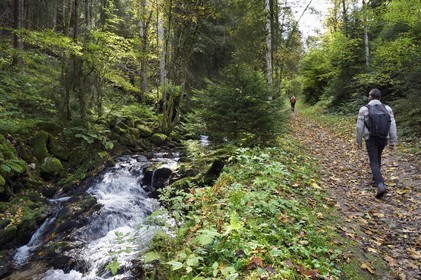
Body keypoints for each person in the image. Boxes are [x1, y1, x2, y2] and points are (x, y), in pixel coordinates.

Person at [356, 88, 397, 199]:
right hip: (384, 138)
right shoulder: (387, 108)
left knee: (373, 161)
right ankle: (375, 180)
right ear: (380, 97)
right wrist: (393, 141)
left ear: (370, 96)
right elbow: (392, 125)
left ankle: (380, 184)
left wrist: (358, 141)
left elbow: (359, 127)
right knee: (377, 157)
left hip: (371, 138)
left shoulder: (364, 109)